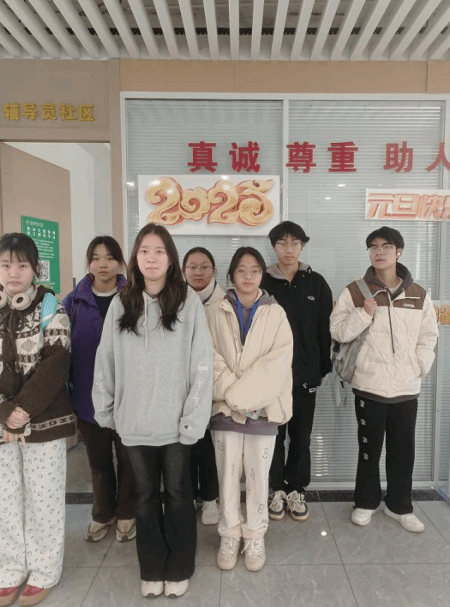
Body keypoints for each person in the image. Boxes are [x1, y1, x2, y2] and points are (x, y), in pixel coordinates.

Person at [93, 223, 213, 599]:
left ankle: (179, 566)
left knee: (178, 494)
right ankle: (151, 566)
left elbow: (202, 364)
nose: (151, 257)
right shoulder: (121, 302)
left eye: (159, 251)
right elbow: (105, 360)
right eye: (144, 250)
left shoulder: (188, 302)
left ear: (170, 259)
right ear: (135, 258)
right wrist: (106, 410)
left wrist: (193, 417)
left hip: (176, 425)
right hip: (134, 423)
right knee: (144, 497)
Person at [0, 233, 75, 607]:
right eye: (6, 264)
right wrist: (3, 412)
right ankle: (8, 571)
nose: (14, 272)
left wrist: (22, 410)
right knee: (0, 501)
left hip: (43, 423)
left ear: (34, 268)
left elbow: (56, 364)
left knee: (43, 499)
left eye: (22, 265)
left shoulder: (53, 308)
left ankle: (44, 570)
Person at [329, 226, 438, 533]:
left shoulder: (418, 294)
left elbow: (429, 334)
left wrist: (419, 365)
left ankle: (400, 506)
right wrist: (363, 314)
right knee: (369, 450)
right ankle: (365, 502)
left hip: (406, 387)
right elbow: (337, 331)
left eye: (386, 246)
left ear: (398, 251)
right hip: (369, 385)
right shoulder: (355, 291)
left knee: (403, 451)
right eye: (373, 247)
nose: (379, 252)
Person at [207, 247, 293, 572]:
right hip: (224, 413)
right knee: (227, 478)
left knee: (258, 480)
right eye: (241, 270)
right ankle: (229, 535)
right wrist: (233, 395)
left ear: (262, 275)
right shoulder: (214, 312)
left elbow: (277, 365)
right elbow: (209, 357)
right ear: (231, 275)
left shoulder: (276, 314)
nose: (248, 276)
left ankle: (255, 535)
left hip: (263, 412)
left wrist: (240, 397)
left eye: (254, 270)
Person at [63, 236, 136, 543]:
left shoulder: (135, 298)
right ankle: (102, 513)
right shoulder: (73, 302)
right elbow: (62, 351)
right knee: (99, 461)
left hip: (128, 397)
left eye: (110, 258)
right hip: (87, 396)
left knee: (129, 459)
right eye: (96, 258)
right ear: (88, 263)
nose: (103, 264)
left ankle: (127, 512)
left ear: (120, 263)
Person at [261, 221, 332, 522]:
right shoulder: (263, 282)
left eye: (294, 243)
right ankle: (276, 489)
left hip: (306, 374)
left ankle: (296, 489)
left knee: (301, 437)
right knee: (273, 436)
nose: (288, 249)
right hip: (272, 376)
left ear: (302, 246)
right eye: (282, 243)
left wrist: (321, 368)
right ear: (273, 246)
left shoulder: (316, 283)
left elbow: (325, 330)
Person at [183, 246, 225, 526]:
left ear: (214, 270)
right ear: (183, 271)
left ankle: (210, 499)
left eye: (204, 266)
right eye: (192, 267)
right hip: (183, 386)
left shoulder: (226, 301)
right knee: (185, 444)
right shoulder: (174, 301)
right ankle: (187, 496)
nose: (198, 272)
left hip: (215, 385)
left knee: (210, 447)